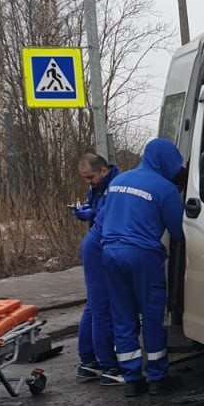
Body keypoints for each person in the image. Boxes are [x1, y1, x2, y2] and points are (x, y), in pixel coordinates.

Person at [97, 138, 185, 396]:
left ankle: (132, 379)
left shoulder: (117, 181)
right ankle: (157, 377)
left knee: (122, 314)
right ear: (167, 161)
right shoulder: (164, 188)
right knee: (151, 314)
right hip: (142, 255)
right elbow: (179, 230)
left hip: (110, 253)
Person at [71, 152, 120, 383]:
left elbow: (109, 212)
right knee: (101, 307)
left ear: (103, 170)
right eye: (85, 179)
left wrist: (93, 213)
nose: (88, 182)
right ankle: (108, 366)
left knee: (95, 305)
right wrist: (87, 212)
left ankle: (89, 361)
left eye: (90, 177)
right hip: (100, 246)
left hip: (97, 245)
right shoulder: (99, 187)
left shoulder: (116, 186)